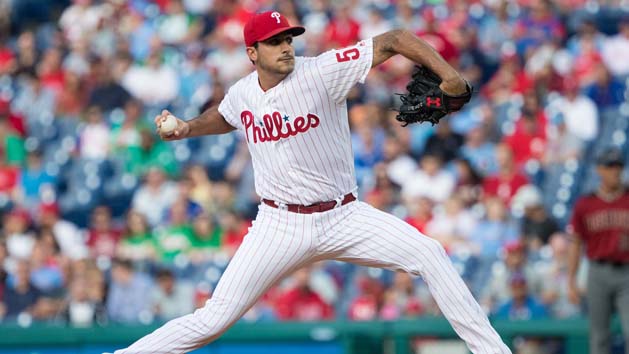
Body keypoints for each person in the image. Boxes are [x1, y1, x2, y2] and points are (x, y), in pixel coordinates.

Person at [112, 11, 511, 354]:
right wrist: (186, 128)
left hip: (344, 215)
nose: (285, 47)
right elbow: (227, 115)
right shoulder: (243, 93)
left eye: (287, 38)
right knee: (212, 320)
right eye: (273, 42)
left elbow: (396, 39)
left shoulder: (322, 71)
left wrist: (450, 75)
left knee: (429, 254)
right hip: (279, 224)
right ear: (252, 53)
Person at [567, 147, 629, 354]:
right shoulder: (586, 203)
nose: (616, 171)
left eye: (618, 165)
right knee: (599, 336)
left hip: (626, 273)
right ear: (599, 170)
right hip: (597, 272)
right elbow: (576, 243)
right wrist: (571, 280)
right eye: (610, 166)